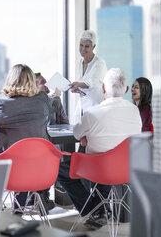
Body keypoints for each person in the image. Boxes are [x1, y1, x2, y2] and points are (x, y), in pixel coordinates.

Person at [57, 68, 142, 230]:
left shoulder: (92, 113)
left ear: (103, 88)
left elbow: (76, 134)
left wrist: (86, 136)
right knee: (106, 154)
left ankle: (95, 208)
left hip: (99, 170)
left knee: (60, 169)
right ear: (125, 90)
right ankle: (100, 209)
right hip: (127, 169)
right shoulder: (134, 111)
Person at [0, 64, 54, 212]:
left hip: (11, 172)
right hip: (40, 170)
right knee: (25, 161)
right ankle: (18, 212)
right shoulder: (42, 99)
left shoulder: (3, 104)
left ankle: (6, 214)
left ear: (10, 80)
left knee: (14, 162)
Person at [70, 30, 107, 117]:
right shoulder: (81, 62)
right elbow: (83, 84)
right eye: (81, 45)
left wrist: (78, 84)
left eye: (86, 46)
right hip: (83, 107)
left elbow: (92, 83)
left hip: (95, 108)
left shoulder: (99, 63)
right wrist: (77, 88)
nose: (83, 49)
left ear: (93, 47)